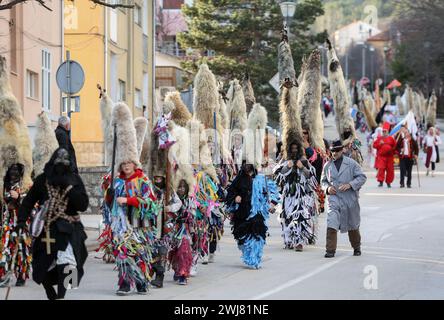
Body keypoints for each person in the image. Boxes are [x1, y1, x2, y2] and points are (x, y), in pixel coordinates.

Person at [17, 148, 89, 300]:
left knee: (69, 264)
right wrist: (21, 221)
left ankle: (61, 296)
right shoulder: (43, 180)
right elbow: (28, 202)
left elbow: (82, 205)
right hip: (46, 229)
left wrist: (68, 188)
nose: (60, 167)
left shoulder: (74, 180)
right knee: (40, 264)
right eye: (58, 163)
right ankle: (50, 293)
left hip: (69, 229)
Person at [226, 163, 279, 269]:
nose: (247, 167)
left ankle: (255, 257)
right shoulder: (238, 179)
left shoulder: (261, 179)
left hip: (257, 212)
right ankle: (248, 255)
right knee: (243, 238)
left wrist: (272, 203)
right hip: (242, 213)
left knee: (257, 235)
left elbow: (273, 191)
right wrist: (235, 197)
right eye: (245, 164)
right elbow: (230, 192)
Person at [321, 140, 367, 258]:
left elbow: (362, 177)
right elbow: (323, 181)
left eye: (336, 151)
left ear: (342, 150)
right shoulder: (327, 165)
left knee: (353, 225)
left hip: (349, 199)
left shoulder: (351, 164)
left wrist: (350, 184)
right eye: (332, 151)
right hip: (334, 199)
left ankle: (356, 247)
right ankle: (330, 250)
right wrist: (327, 188)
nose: (334, 153)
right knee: (332, 222)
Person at [273, 143, 319, 251]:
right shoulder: (284, 160)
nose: (294, 150)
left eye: (296, 148)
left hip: (301, 195)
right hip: (288, 195)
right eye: (292, 148)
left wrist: (302, 167)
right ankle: (289, 240)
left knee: (300, 217)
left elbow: (312, 178)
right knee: (287, 217)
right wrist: (286, 167)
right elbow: (276, 174)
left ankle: (299, 242)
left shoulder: (304, 161)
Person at [0, 163, 31, 287]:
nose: (13, 173)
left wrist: (19, 197)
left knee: (22, 249)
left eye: (16, 170)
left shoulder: (26, 185)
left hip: (21, 222)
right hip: (7, 222)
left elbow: (32, 203)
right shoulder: (4, 186)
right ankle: (4, 275)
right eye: (11, 170)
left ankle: (21, 275)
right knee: (5, 247)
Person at [168, 179, 196, 285]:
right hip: (172, 229)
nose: (181, 189)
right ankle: (177, 269)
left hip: (184, 229)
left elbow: (193, 215)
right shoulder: (171, 199)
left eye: (184, 187)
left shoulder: (190, 201)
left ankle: (183, 274)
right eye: (179, 187)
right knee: (173, 251)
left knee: (184, 250)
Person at [373, 122, 396, 188]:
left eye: (385, 131)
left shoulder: (391, 139)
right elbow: (374, 145)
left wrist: (392, 150)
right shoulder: (379, 138)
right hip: (381, 157)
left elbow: (394, 147)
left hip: (389, 157)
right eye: (383, 131)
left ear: (388, 131)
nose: (384, 132)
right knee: (381, 169)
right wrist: (379, 144)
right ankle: (381, 182)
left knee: (390, 170)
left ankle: (388, 183)